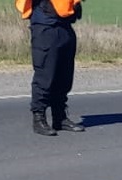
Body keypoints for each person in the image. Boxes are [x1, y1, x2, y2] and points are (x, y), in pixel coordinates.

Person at [16, 0, 85, 136]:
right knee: (45, 75)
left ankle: (60, 117)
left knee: (64, 75)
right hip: (45, 23)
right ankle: (39, 118)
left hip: (65, 24)